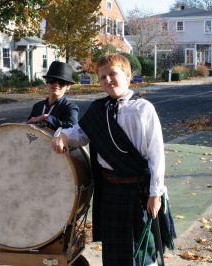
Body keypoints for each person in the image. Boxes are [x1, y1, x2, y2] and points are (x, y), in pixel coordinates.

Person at [52, 54, 174, 265]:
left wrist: (156, 194)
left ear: (127, 76)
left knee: (142, 252)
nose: (108, 80)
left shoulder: (143, 108)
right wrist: (62, 134)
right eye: (102, 77)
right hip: (110, 190)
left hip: (140, 192)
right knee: (115, 253)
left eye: (113, 74)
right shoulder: (99, 109)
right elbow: (80, 133)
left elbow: (156, 155)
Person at [27, 61, 79, 130]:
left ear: (68, 86)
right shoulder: (37, 106)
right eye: (52, 80)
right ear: (46, 82)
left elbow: (73, 129)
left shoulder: (70, 107)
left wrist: (46, 117)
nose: (56, 84)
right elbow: (27, 128)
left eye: (61, 82)